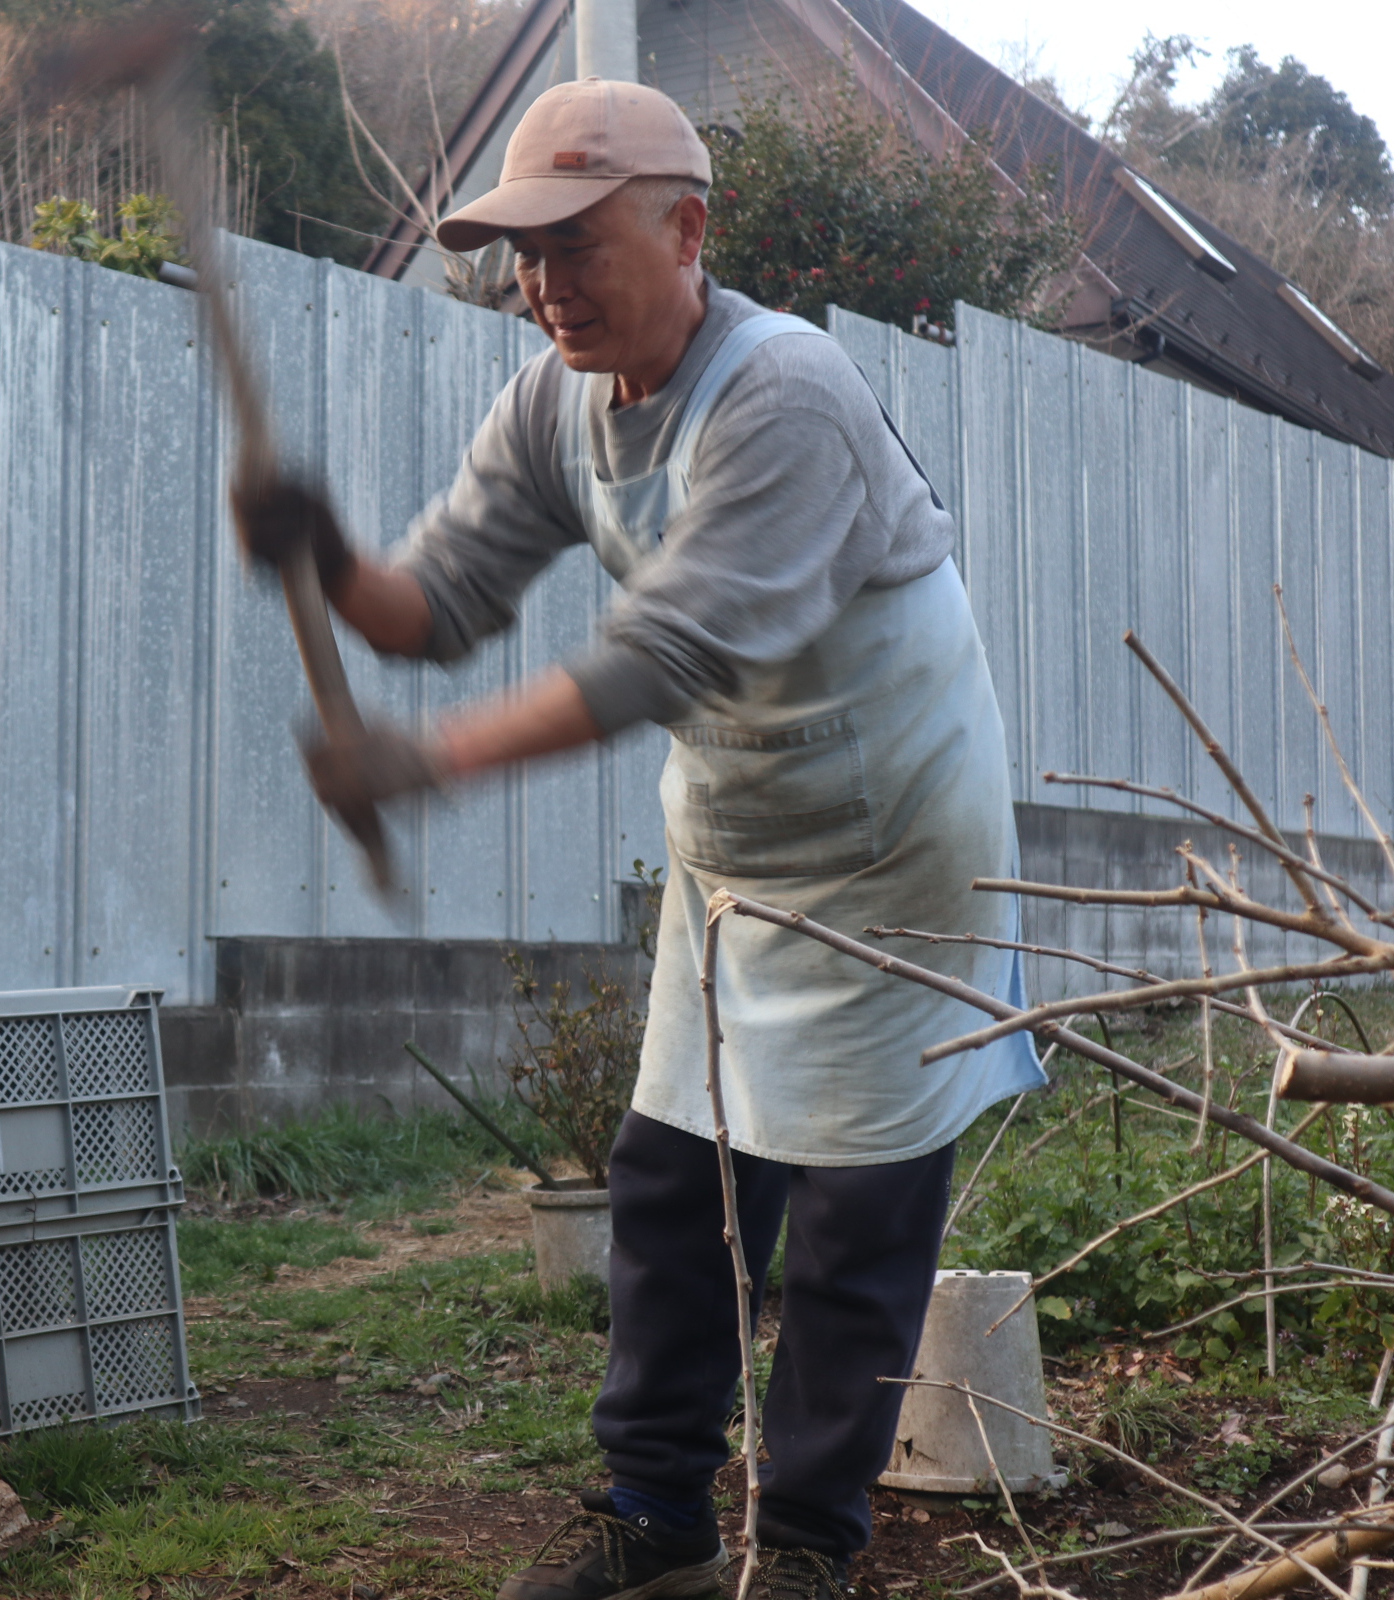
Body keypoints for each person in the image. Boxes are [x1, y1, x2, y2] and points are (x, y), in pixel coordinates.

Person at [232, 77, 1044, 1600]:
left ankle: (809, 1544)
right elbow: (438, 602)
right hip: (737, 848)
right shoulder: (555, 394)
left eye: (574, 245)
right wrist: (326, 556)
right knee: (676, 1187)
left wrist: (426, 765)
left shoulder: (786, 393)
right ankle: (654, 1510)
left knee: (859, 1221)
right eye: (520, 256)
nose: (541, 286)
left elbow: (664, 657)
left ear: (687, 230)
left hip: (894, 847)